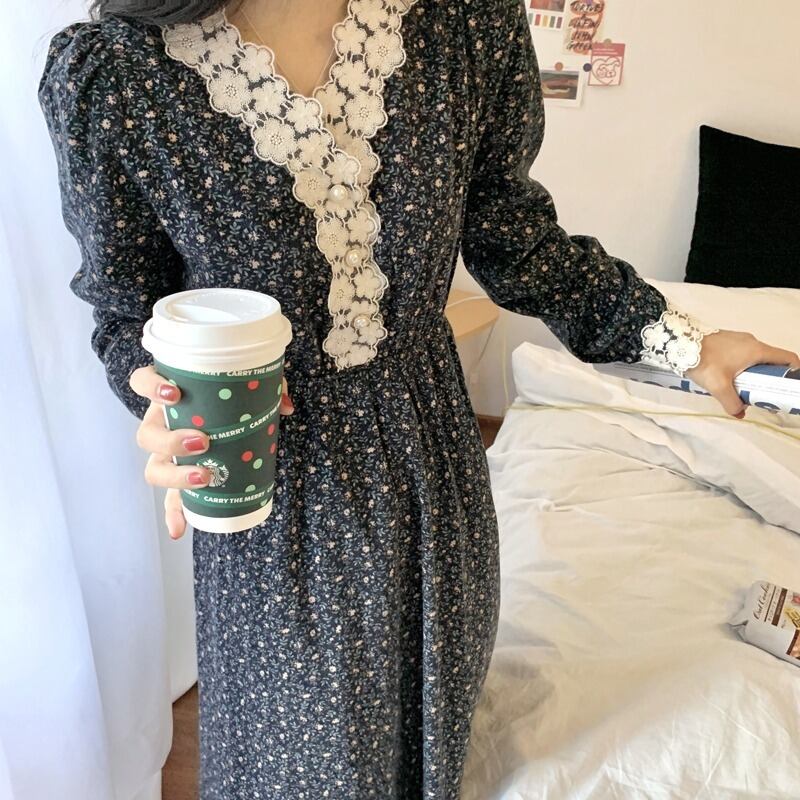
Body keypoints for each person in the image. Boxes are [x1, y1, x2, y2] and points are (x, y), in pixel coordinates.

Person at [37, 0, 800, 797]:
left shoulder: (466, 24)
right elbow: (127, 307)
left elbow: (518, 243)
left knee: (427, 744)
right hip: (277, 494)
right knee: (299, 763)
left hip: (434, 472)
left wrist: (687, 343)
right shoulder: (114, 73)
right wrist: (162, 401)